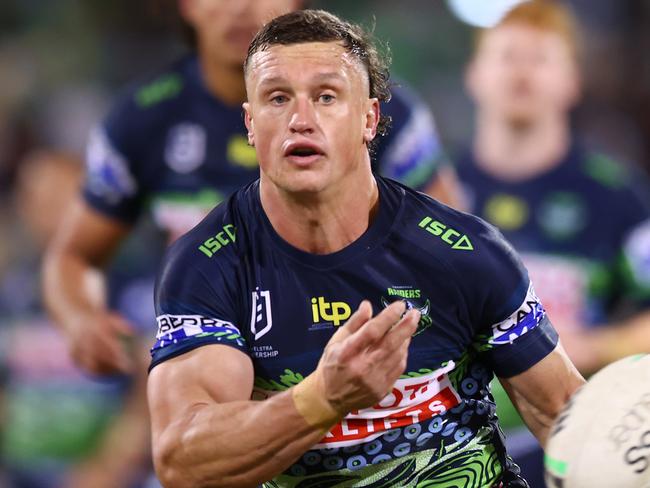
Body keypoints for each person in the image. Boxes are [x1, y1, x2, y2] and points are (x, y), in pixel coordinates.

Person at [147, 10, 584, 487]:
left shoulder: (465, 252)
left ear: (369, 118)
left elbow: (568, 421)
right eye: (277, 98)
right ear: (251, 124)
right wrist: (322, 399)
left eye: (327, 97)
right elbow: (181, 463)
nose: (301, 120)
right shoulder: (207, 265)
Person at [456, 0, 650, 484]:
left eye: (541, 58)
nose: (522, 72)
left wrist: (591, 345)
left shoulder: (616, 198)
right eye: (507, 56)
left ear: (572, 81)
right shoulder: (432, 196)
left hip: (573, 451)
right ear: (474, 74)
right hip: (451, 454)